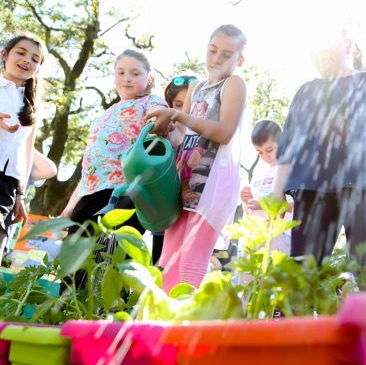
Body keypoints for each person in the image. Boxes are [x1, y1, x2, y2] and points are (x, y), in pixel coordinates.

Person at [272, 27, 366, 268]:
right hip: (312, 189)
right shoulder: (306, 91)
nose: (322, 52)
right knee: (302, 273)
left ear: (348, 45)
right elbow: (288, 147)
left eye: (329, 44)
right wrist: (276, 193)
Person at [148, 24, 247, 292]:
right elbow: (182, 135)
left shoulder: (234, 83)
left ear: (240, 60)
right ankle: (163, 322)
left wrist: (179, 115)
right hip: (184, 183)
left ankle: (185, 326)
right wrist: (165, 128)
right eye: (212, 50)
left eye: (226, 54)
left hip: (213, 186)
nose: (216, 59)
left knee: (192, 257)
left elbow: (224, 132)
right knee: (168, 258)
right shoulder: (197, 88)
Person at [61, 50, 166, 234]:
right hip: (90, 193)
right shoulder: (105, 114)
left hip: (124, 191)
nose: (127, 78)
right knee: (78, 251)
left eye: (135, 73)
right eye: (121, 72)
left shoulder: (150, 101)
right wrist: (71, 205)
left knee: (110, 253)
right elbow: (89, 165)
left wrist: (156, 120)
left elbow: (159, 115)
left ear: (149, 78)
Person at [0, 33, 46, 251]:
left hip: (7, 187)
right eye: (21, 52)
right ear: (4, 55)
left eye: (35, 59)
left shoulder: (31, 108)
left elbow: (25, 156)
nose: (28, 60)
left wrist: (20, 196)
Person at [147, 74, 199, 265]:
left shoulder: (200, 135)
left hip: (191, 211)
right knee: (159, 263)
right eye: (178, 105)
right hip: (165, 212)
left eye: (189, 105)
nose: (183, 110)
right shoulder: (166, 134)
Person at [240, 119, 291, 254]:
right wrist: (246, 200)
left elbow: (297, 205)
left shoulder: (290, 170)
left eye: (269, 150)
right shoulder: (259, 171)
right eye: (260, 152)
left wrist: (263, 204)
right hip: (256, 236)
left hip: (280, 239)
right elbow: (249, 210)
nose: (266, 156)